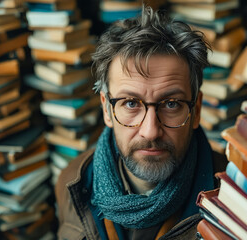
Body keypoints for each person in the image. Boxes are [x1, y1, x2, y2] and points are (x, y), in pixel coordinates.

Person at [55, 6, 226, 240]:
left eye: (172, 104)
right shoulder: (72, 181)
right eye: (131, 103)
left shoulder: (233, 201)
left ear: (195, 111)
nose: (150, 131)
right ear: (107, 108)